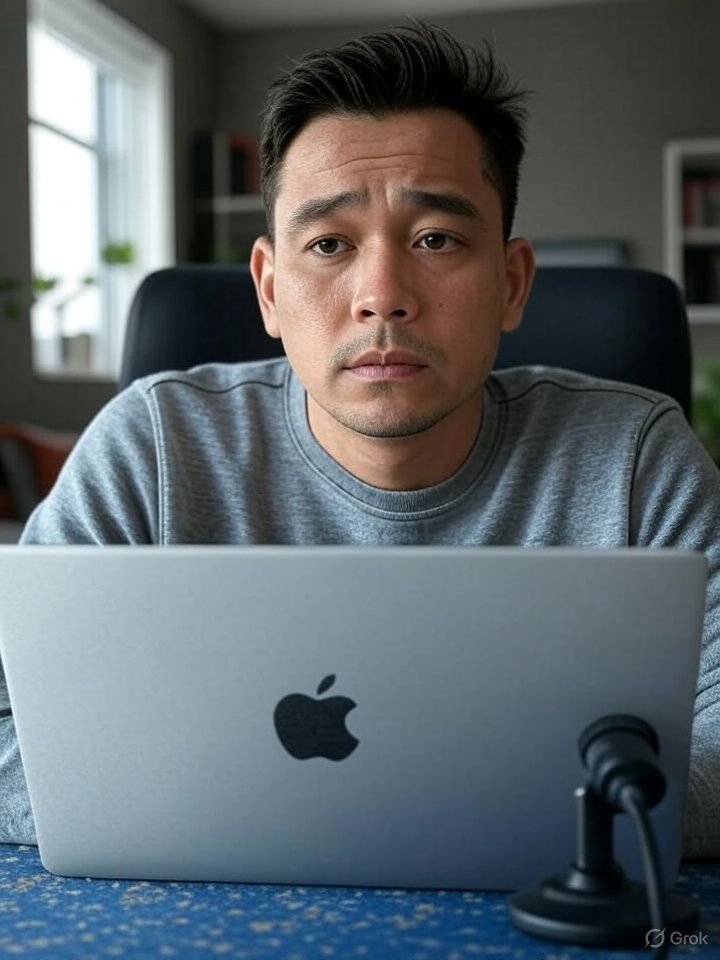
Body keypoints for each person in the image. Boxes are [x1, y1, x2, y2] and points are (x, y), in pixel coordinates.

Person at [2, 20, 719, 856]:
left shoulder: (638, 461)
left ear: (513, 284)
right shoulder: (152, 449)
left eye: (437, 240)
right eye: (331, 244)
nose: (382, 295)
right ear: (270, 290)